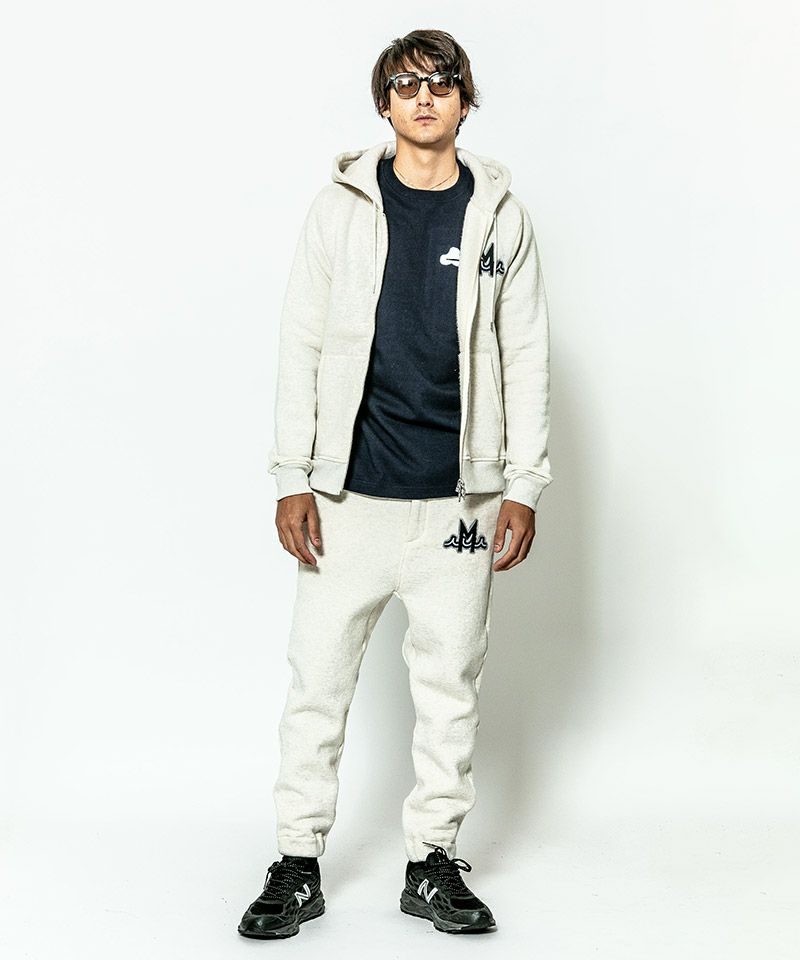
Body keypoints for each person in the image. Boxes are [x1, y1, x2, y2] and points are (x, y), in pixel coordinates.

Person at [238, 28, 552, 940]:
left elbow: (526, 353)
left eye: (440, 83)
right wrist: (292, 476)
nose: (424, 97)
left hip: (460, 502)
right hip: (348, 501)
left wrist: (524, 485)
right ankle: (298, 862)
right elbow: (301, 341)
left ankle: (431, 863)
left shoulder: (501, 216)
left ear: (465, 100)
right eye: (406, 85)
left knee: (450, 688)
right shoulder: (339, 208)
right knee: (317, 687)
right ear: (384, 104)